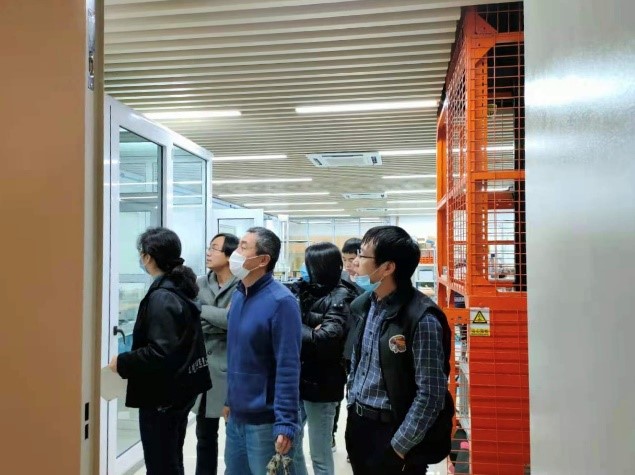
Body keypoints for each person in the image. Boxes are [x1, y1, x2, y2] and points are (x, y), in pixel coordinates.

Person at [345, 226, 454, 475]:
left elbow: (431, 394)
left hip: (394, 433)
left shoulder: (421, 318)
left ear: (387, 268)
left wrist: (398, 448)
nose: (355, 263)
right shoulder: (365, 305)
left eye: (362, 255)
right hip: (360, 425)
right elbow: (358, 363)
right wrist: (352, 406)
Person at [108, 227, 212, 475]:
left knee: (161, 464)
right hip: (180, 390)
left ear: (148, 257)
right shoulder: (178, 288)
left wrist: (123, 362)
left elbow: (161, 352)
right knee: (171, 459)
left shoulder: (162, 296)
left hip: (163, 396)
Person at [223, 227, 302, 475]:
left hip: (265, 422)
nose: (235, 253)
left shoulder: (282, 302)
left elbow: (288, 366)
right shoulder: (238, 296)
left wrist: (285, 422)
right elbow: (236, 355)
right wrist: (229, 400)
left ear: (263, 260)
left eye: (244, 247)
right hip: (236, 417)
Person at [291, 243, 356, 475]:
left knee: (319, 453)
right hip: (297, 378)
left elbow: (326, 338)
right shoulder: (302, 290)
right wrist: (310, 330)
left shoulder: (341, 297)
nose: (304, 269)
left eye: (308, 264)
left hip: (323, 384)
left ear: (320, 267)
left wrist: (293, 327)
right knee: (291, 445)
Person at [192, 233, 240, 475]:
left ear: (230, 255)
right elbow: (190, 321)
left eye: (214, 248)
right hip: (204, 371)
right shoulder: (198, 283)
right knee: (204, 437)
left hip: (234, 371)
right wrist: (220, 318)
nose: (208, 253)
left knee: (236, 440)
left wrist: (202, 310)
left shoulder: (242, 284)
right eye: (209, 247)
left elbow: (236, 321)